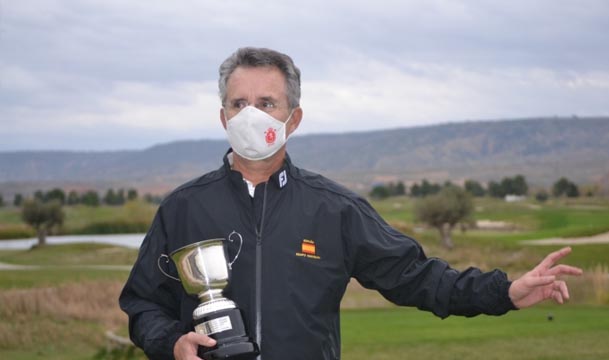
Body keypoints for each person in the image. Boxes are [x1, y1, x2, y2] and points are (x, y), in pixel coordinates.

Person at [119, 47, 583, 360]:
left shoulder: (335, 209)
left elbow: (417, 278)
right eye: (239, 104)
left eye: (267, 102)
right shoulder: (183, 208)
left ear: (293, 119)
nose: (251, 115)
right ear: (223, 116)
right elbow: (142, 304)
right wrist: (173, 342)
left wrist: (504, 291)